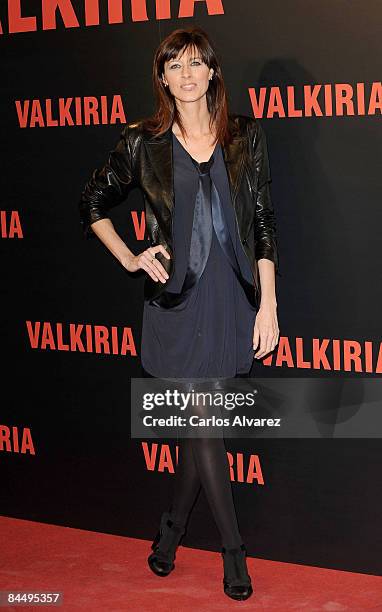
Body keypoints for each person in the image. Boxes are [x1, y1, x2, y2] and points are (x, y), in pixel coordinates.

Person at [79, 26, 280, 602]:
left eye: (197, 64)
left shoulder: (243, 136)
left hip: (232, 299)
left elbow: (264, 221)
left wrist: (268, 304)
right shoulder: (142, 142)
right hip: (177, 302)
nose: (187, 75)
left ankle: (169, 534)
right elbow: (92, 201)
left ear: (213, 72)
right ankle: (234, 552)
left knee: (199, 432)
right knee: (206, 426)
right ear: (162, 78)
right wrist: (130, 257)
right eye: (175, 66)